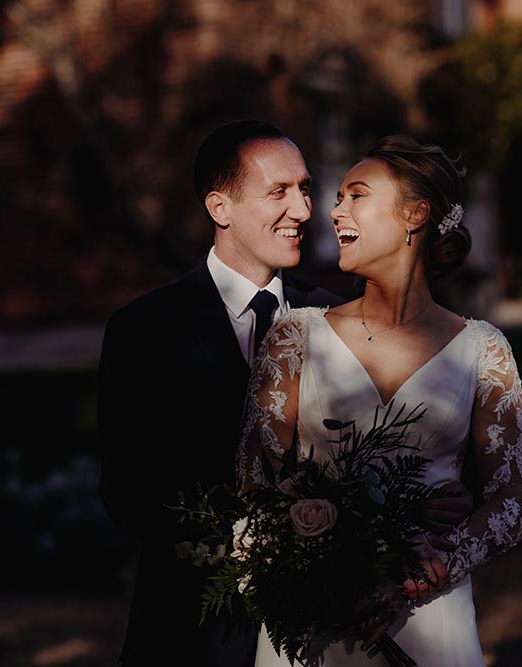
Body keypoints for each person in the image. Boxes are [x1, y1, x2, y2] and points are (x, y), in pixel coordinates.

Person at [97, 121, 475, 666]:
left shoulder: (335, 315)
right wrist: (271, 552)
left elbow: (395, 450)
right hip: (198, 632)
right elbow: (129, 492)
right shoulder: (145, 329)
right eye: (279, 192)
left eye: (303, 189)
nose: (302, 209)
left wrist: (437, 503)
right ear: (220, 208)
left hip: (334, 632)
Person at [237, 134, 522, 666]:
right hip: (315, 620)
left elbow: (510, 503)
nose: (333, 210)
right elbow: (253, 484)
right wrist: (323, 557)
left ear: (414, 215)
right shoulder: (293, 340)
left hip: (430, 618)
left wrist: (427, 569)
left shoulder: (485, 352)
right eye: (340, 197)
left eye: (356, 195)